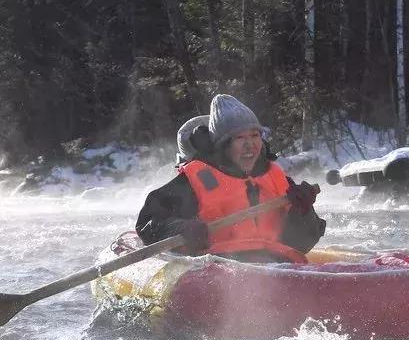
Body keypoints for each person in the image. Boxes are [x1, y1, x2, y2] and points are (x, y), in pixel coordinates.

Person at [136, 95, 325, 263]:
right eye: (240, 138)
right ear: (224, 145)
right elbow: (148, 224)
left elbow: (300, 244)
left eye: (255, 135)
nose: (250, 144)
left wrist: (303, 211)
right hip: (217, 267)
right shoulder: (195, 180)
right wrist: (179, 228)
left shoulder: (276, 177)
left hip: (276, 264)